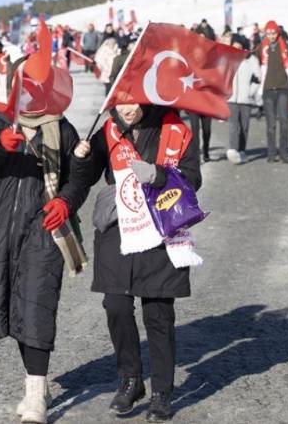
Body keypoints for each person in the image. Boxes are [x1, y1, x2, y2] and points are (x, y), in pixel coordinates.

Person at [0, 51, 89, 424]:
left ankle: (35, 393)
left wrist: (67, 202)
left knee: (36, 303)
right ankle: (37, 382)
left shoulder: (62, 126)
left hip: (42, 226)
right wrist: (0, 143)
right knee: (14, 305)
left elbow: (78, 177)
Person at [71, 103, 203, 422]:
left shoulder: (176, 130)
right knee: (115, 305)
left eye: (133, 101)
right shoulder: (108, 131)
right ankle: (130, 380)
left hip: (159, 228)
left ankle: (161, 391)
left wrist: (158, 175)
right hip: (119, 227)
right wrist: (81, 157)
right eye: (121, 101)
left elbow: (193, 179)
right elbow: (86, 178)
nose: (127, 109)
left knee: (157, 312)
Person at [258, 20, 288, 163]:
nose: (271, 35)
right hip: (268, 89)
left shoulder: (286, 46)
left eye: (274, 32)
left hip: (283, 88)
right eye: (268, 33)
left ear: (278, 32)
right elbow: (257, 66)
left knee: (284, 122)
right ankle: (271, 153)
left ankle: (284, 153)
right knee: (271, 124)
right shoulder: (262, 47)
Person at [226, 42, 261, 164]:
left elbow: (258, 79)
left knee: (244, 126)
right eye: (234, 47)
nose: (237, 50)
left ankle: (242, 150)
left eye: (239, 47)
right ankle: (233, 149)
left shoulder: (252, 60)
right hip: (232, 99)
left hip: (246, 99)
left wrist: (250, 92)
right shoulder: (227, 60)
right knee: (233, 125)